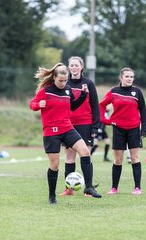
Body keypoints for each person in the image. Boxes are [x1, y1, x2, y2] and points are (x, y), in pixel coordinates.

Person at [29, 63, 101, 204]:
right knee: (54, 165)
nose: (63, 83)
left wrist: (83, 95)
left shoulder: (68, 89)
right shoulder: (46, 91)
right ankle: (51, 196)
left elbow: (72, 106)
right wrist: (38, 105)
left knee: (85, 152)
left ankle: (89, 187)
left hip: (67, 128)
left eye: (65, 80)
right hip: (51, 132)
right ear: (54, 78)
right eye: (60, 80)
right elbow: (32, 104)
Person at [99, 67, 146, 195]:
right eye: (127, 76)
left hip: (134, 129)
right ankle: (114, 188)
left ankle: (137, 188)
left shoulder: (137, 92)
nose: (129, 79)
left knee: (135, 158)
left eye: (131, 77)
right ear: (121, 78)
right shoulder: (114, 91)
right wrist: (104, 120)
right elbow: (101, 105)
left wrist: (144, 130)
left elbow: (143, 111)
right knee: (118, 160)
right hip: (118, 129)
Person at [59, 56, 100, 196]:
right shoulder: (64, 83)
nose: (74, 67)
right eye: (72, 65)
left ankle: (88, 188)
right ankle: (68, 189)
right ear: (68, 67)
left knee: (85, 154)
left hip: (86, 124)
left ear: (82, 67)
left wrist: (95, 126)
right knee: (69, 156)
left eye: (77, 65)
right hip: (68, 125)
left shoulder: (88, 83)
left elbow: (95, 105)